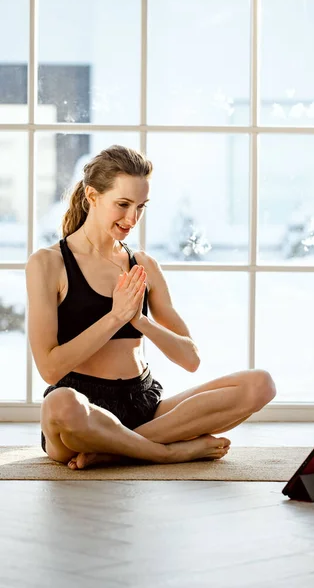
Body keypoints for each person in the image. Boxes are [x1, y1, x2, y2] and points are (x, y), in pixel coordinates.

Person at [26, 145, 276, 470]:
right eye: (123, 204)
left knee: (260, 384)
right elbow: (50, 368)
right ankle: (165, 451)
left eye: (141, 207)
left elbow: (191, 359)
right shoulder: (49, 263)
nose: (132, 218)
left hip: (144, 403)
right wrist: (115, 317)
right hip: (81, 407)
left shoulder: (143, 264)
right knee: (60, 404)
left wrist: (139, 321)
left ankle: (119, 448)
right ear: (92, 195)